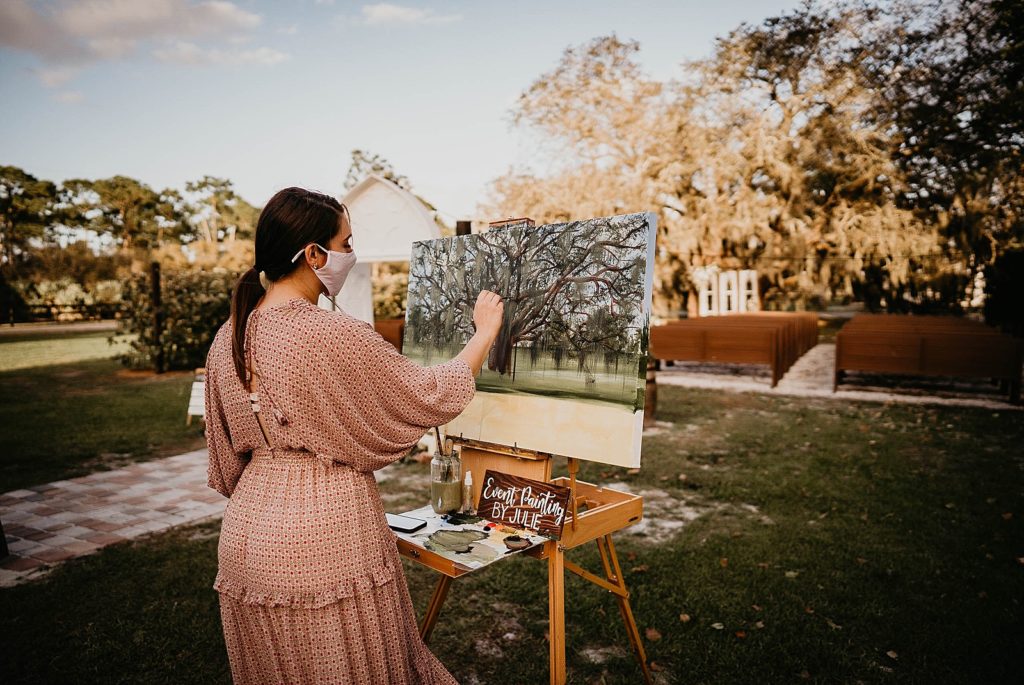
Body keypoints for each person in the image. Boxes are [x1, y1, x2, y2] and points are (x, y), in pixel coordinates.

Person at [204, 187, 503, 684]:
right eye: (345, 243)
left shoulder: (226, 337)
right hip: (330, 535)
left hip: (246, 537)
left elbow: (226, 463)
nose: (350, 254)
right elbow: (428, 395)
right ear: (313, 254)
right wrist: (484, 332)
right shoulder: (330, 332)